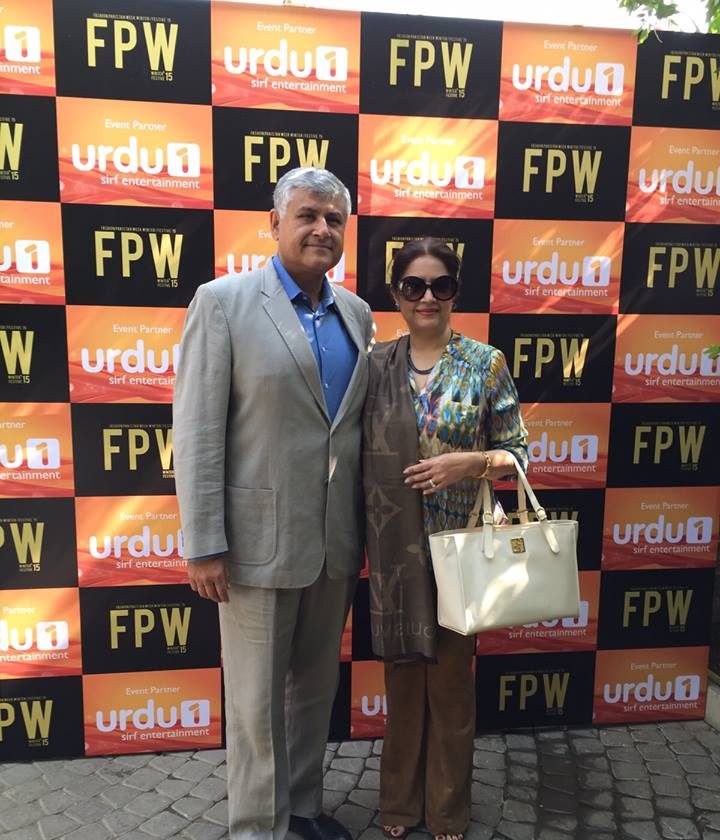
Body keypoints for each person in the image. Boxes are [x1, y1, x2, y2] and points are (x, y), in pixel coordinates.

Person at [173, 167, 374, 840]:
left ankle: (304, 810)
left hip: (334, 543)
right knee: (256, 702)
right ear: (275, 223)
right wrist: (204, 542)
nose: (322, 229)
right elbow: (198, 431)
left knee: (315, 691)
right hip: (253, 545)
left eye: (334, 219)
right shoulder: (222, 302)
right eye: (308, 215)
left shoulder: (357, 314)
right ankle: (260, 828)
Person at [363, 238, 528, 840]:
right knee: (403, 682)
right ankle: (400, 806)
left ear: (456, 291)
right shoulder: (376, 365)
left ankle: (449, 810)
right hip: (394, 552)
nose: (427, 297)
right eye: (414, 286)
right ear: (396, 294)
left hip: (461, 550)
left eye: (441, 285)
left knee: (453, 686)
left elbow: (518, 455)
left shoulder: (485, 364)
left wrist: (472, 464)